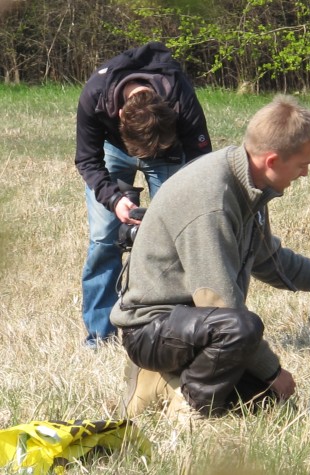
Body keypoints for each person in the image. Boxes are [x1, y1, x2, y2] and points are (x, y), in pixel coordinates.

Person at [110, 95, 310, 419]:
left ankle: (160, 382)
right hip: (151, 328)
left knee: (262, 401)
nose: (306, 173)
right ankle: (189, 409)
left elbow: (271, 261)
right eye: (303, 164)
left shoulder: (249, 186)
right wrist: (273, 371)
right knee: (242, 329)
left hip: (191, 325)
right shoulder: (213, 199)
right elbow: (217, 302)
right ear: (272, 161)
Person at [75, 42, 212, 347]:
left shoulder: (180, 96)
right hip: (113, 150)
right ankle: (99, 336)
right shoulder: (94, 95)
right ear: (120, 113)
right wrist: (114, 199)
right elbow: (87, 160)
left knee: (176, 240)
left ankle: (175, 330)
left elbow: (203, 162)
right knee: (102, 240)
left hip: (169, 150)